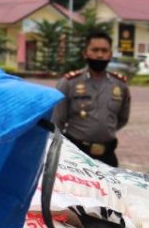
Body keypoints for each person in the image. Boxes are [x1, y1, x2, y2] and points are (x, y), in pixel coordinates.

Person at [53, 30, 130, 167]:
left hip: (108, 155)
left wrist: (101, 130)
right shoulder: (69, 83)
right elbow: (57, 121)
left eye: (104, 50)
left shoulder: (120, 84)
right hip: (76, 155)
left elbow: (122, 119)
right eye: (95, 50)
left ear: (110, 55)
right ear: (85, 53)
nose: (100, 55)